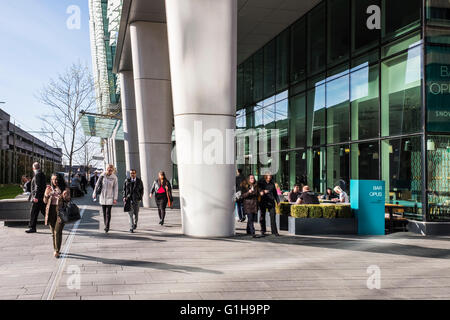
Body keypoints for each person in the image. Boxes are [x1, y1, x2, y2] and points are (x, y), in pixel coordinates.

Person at [43, 174, 70, 258]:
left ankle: (56, 250)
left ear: (60, 180)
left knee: (57, 231)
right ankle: (55, 248)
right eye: (53, 179)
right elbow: (44, 201)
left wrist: (64, 196)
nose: (54, 181)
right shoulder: (49, 188)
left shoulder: (65, 188)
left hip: (60, 212)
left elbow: (68, 200)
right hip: (50, 211)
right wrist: (46, 195)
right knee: (53, 233)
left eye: (56, 179)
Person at [93, 164, 118, 233]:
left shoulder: (114, 177)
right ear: (106, 169)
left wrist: (115, 198)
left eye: (111, 170)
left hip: (110, 197)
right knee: (104, 212)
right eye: (108, 169)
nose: (109, 171)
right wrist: (94, 193)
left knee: (108, 212)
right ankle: (105, 224)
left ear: (113, 170)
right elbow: (97, 185)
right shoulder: (102, 176)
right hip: (102, 196)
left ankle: (107, 226)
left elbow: (115, 188)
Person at [26, 162, 47, 233]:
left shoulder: (38, 175)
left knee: (33, 212)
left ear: (34, 168)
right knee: (44, 211)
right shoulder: (42, 174)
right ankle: (53, 223)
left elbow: (38, 186)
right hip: (41, 197)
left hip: (37, 198)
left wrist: (36, 197)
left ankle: (32, 228)